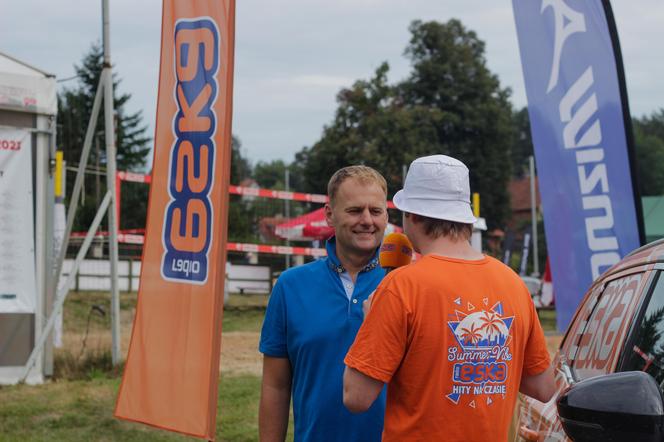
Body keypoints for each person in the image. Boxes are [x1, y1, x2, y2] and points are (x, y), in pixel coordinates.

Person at [343, 155, 556, 442]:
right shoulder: (513, 284)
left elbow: (356, 397)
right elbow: (543, 388)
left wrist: (370, 325)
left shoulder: (400, 286)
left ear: (413, 216)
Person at [259, 165, 389, 442]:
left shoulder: (407, 284)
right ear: (330, 214)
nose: (367, 220)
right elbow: (275, 386)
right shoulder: (291, 286)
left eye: (376, 211)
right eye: (355, 210)